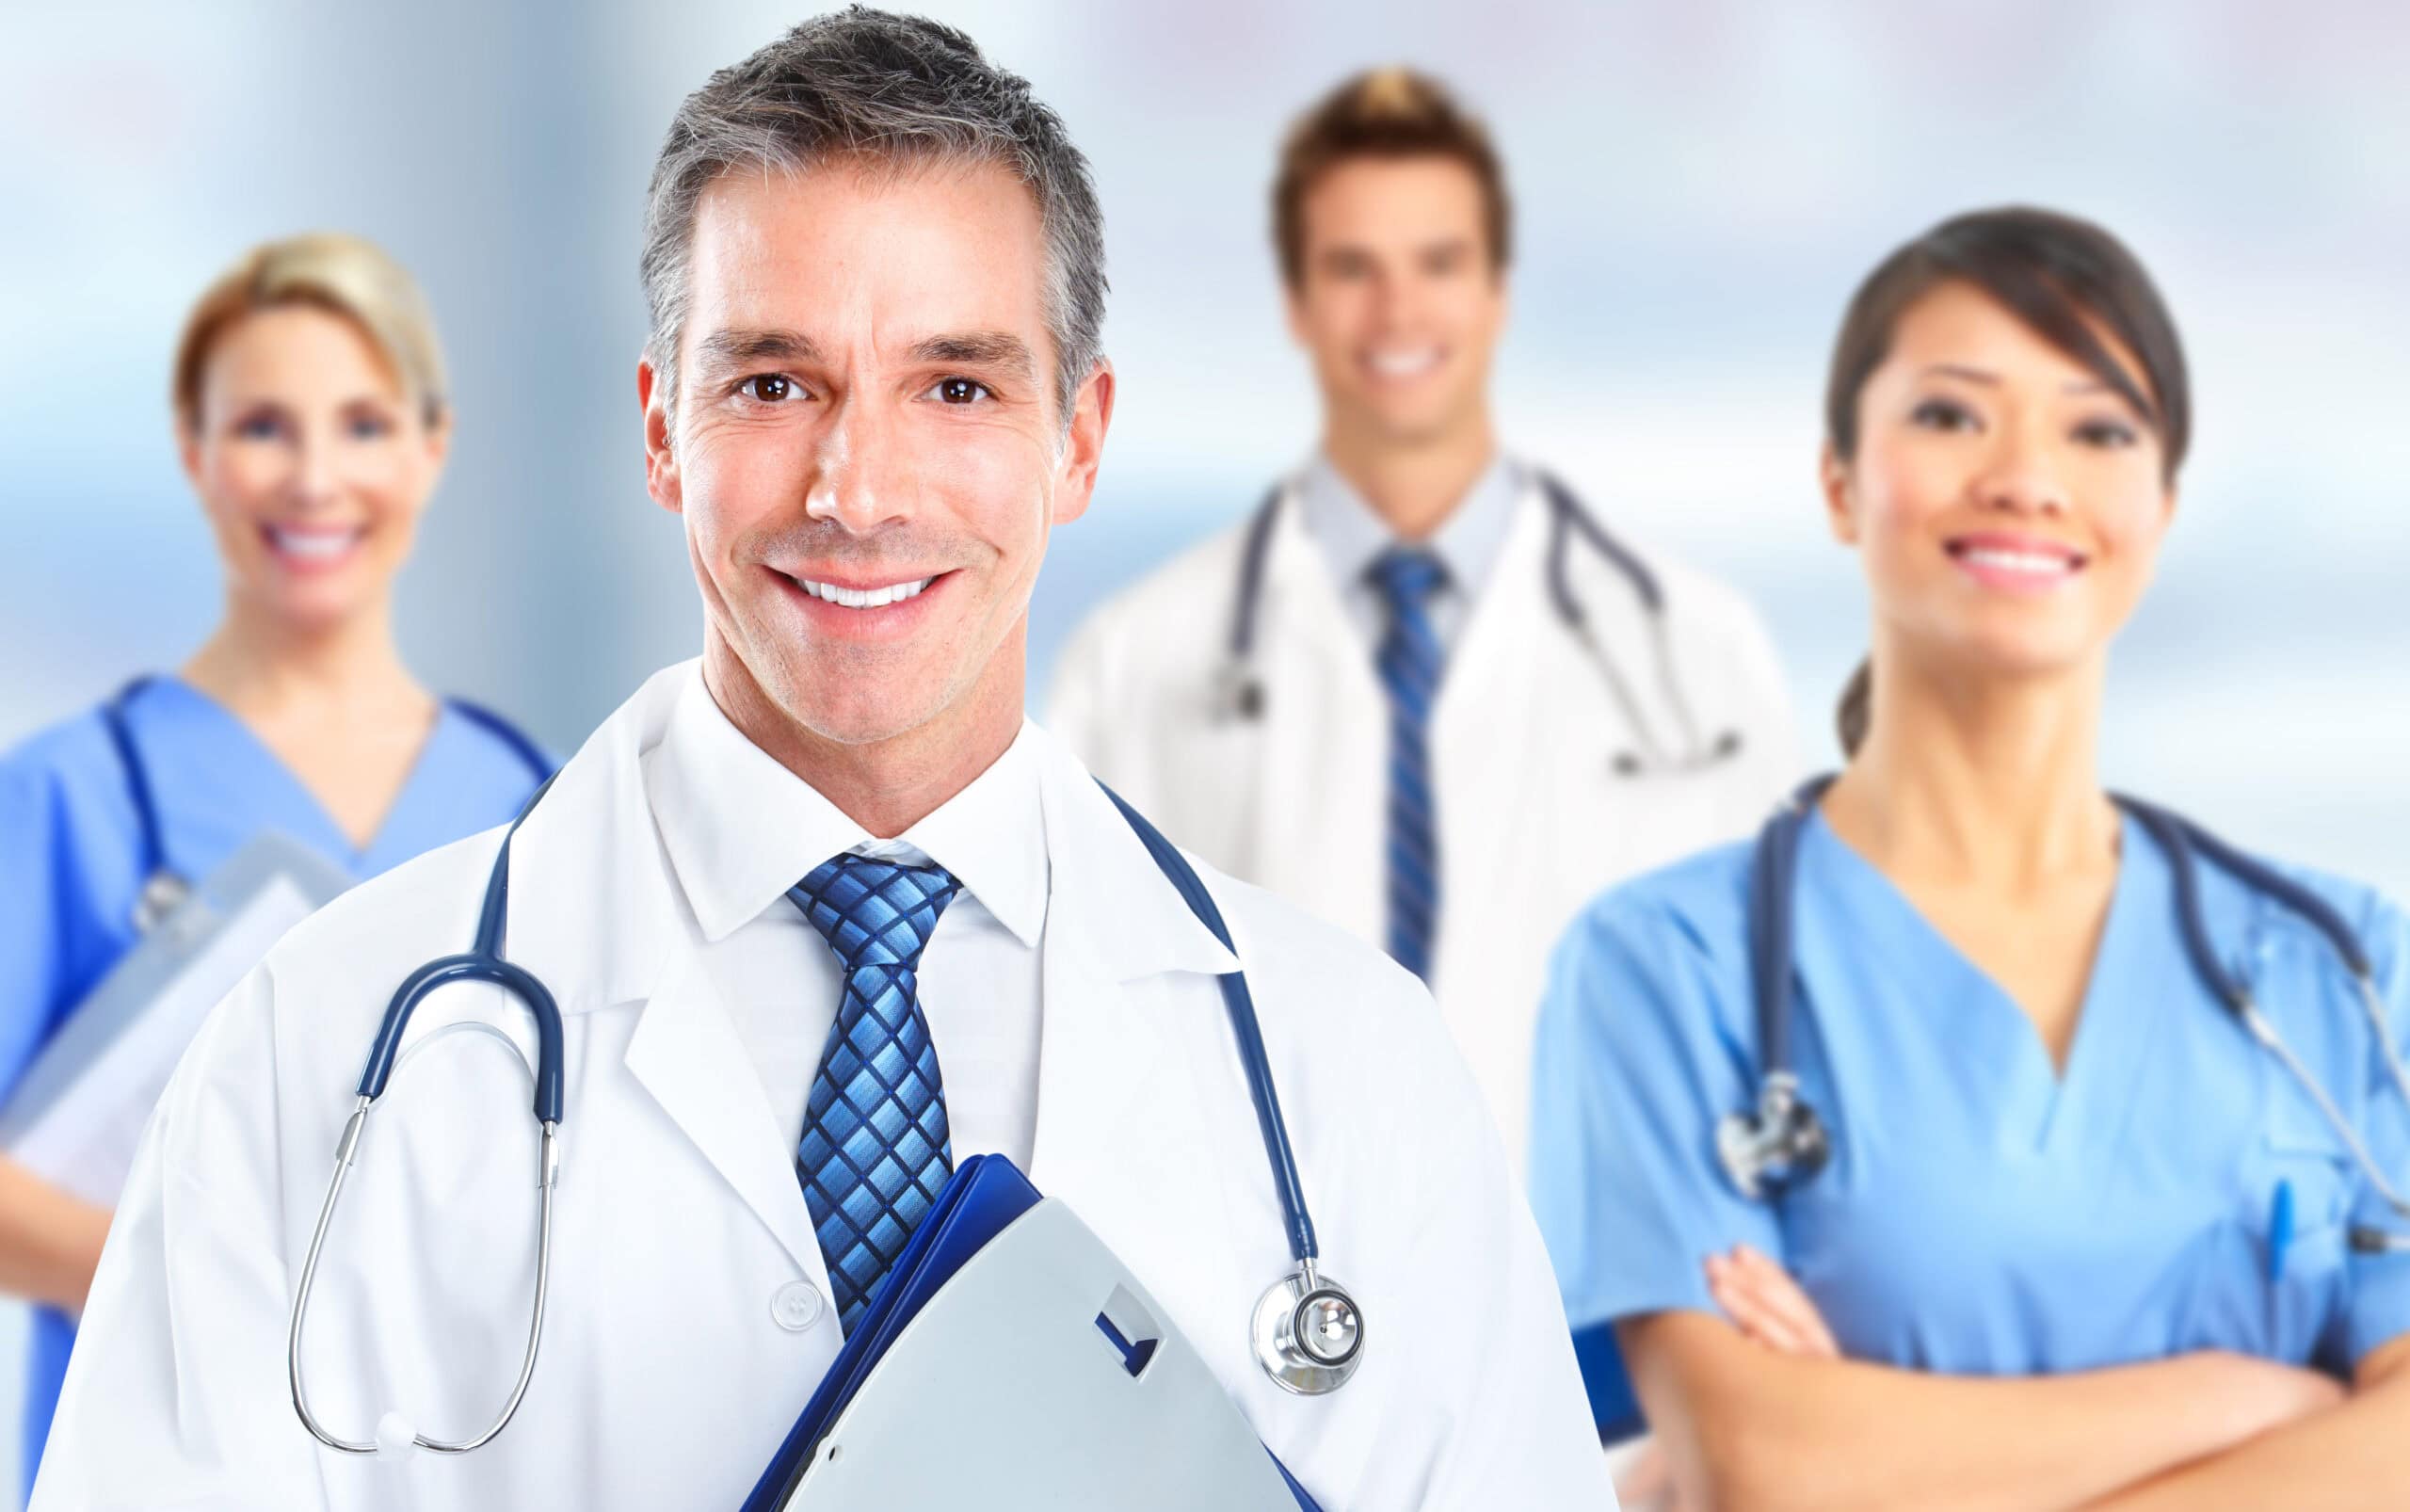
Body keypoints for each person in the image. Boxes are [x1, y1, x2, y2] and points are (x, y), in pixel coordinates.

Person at [31, 16, 1609, 1510]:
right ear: (662, 430)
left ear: (1079, 437)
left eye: (958, 384)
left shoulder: (1351, 1077)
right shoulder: (314, 1049)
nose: (859, 487)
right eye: (775, 383)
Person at [1530, 206, 2410, 1509]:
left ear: (2160, 507)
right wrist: (2256, 1400)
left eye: (2100, 427)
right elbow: (1767, 1463)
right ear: (1839, 481)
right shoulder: (1672, 964)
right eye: (1951, 415)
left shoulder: (2337, 960)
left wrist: (1904, 1457)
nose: (2025, 474)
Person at [1047, 69, 1798, 1179]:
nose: (1398, 311)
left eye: (1438, 264)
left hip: (1602, 1294)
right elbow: (1074, 1027)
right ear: (1297, 301)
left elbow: (1770, 1027)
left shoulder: (1691, 650)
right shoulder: (1141, 658)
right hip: (1277, 1290)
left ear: (1496, 291)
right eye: (1352, 268)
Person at [0, 232, 549, 1503]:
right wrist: (202, 1284)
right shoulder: (75, 797)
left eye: (362, 424)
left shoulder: (541, 801)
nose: (314, 478)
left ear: (432, 447)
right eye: (261, 427)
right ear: (194, 452)